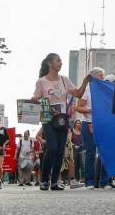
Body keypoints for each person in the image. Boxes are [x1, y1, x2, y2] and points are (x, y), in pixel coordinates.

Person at [31, 53, 89, 191]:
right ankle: (44, 180)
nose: (61, 63)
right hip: (48, 118)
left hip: (63, 119)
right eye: (58, 61)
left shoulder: (64, 80)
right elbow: (36, 97)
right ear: (50, 63)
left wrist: (85, 81)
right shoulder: (41, 81)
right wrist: (34, 98)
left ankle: (55, 182)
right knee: (52, 148)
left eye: (61, 61)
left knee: (60, 151)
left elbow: (78, 94)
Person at [75, 66, 105, 188]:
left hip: (102, 124)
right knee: (90, 153)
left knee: (104, 152)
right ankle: (90, 181)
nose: (102, 79)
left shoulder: (104, 90)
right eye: (100, 76)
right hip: (88, 124)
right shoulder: (87, 90)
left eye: (103, 77)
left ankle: (104, 181)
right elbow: (78, 107)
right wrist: (92, 110)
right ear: (93, 78)